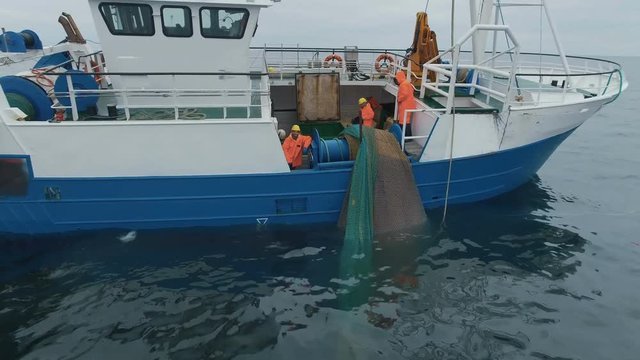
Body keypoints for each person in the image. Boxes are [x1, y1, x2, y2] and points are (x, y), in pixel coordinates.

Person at [395, 70, 417, 136]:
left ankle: (406, 136)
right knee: (405, 120)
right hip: (408, 104)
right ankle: (406, 135)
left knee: (403, 121)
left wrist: (399, 99)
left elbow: (404, 94)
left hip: (405, 105)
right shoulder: (407, 83)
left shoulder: (403, 84)